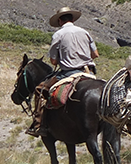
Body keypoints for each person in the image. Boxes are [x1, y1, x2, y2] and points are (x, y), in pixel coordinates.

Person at [26, 7, 99, 136]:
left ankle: (38, 125)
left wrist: (65, 57)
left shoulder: (58, 34)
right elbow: (95, 54)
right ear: (72, 19)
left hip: (68, 72)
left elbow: (53, 61)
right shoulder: (85, 32)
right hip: (87, 71)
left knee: (40, 90)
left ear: (60, 21)